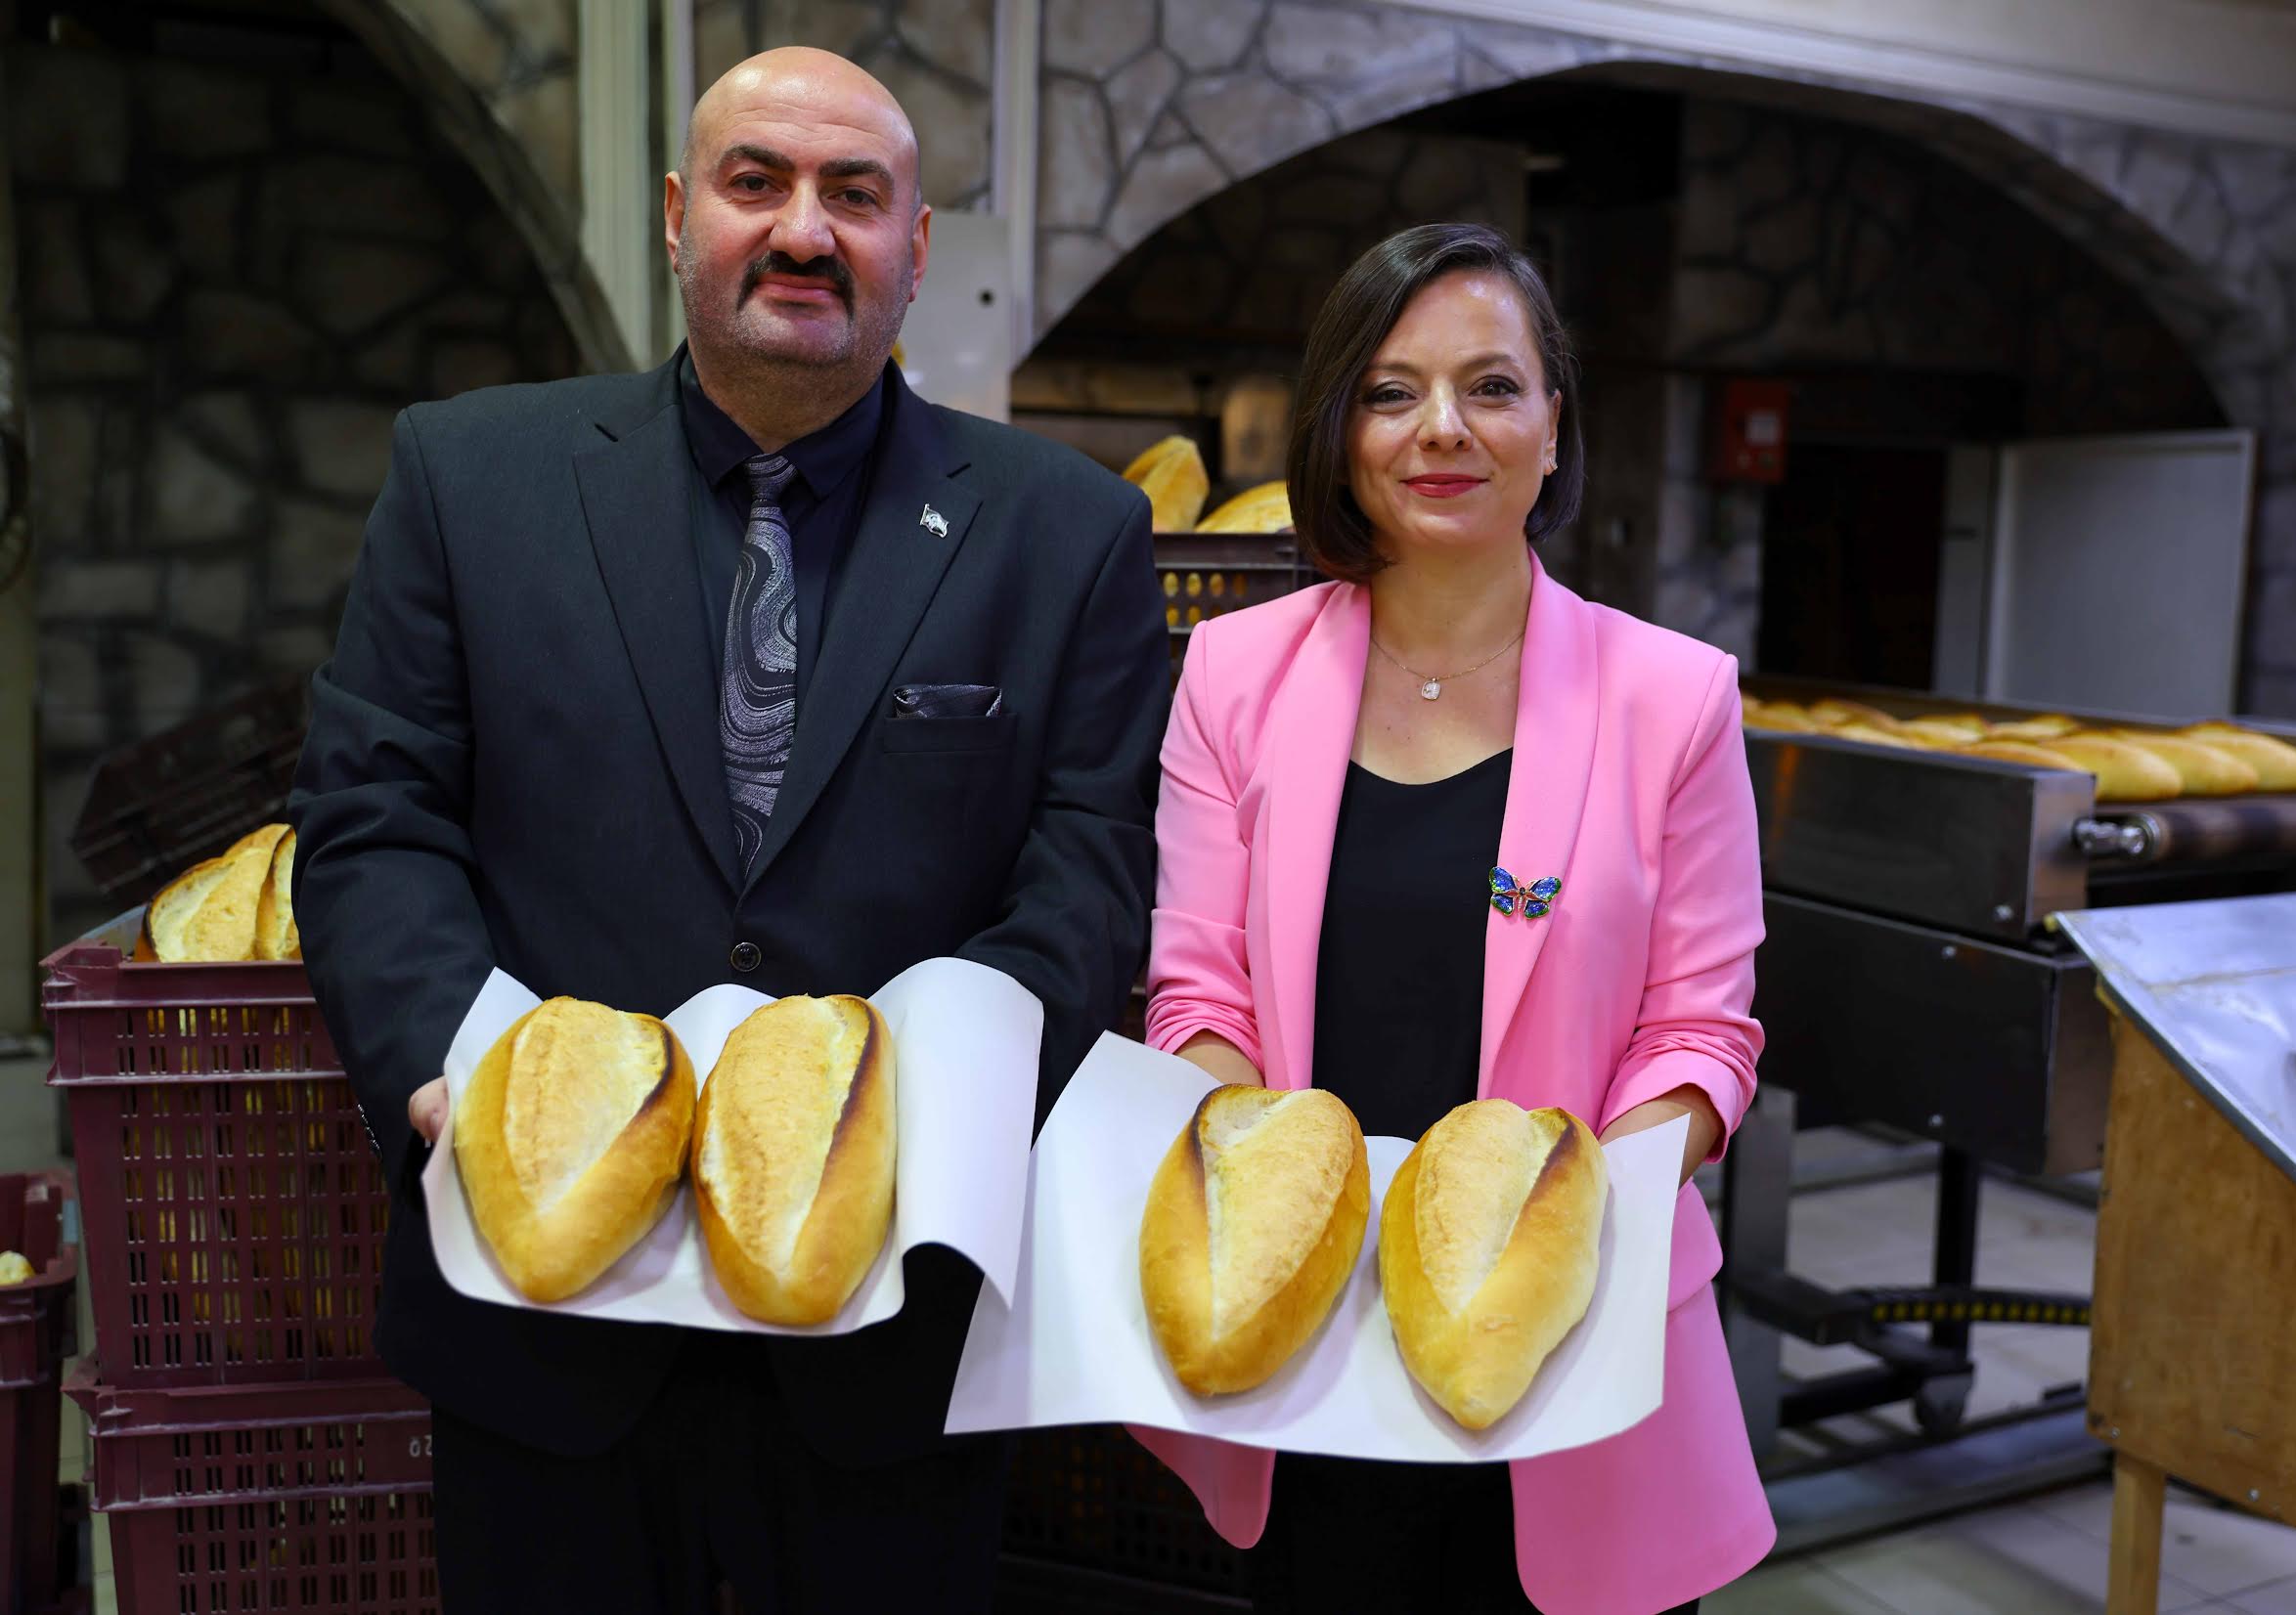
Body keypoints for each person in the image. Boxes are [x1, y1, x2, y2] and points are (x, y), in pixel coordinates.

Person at [288, 47, 1166, 1614]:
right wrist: (438, 1069)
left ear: (914, 247)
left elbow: (1087, 868)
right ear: (679, 216)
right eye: (757, 182)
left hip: (889, 1333)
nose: (804, 230)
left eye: (855, 195)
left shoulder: (1069, 532)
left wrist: (940, 1110)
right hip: (541, 1314)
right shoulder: (468, 477)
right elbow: (373, 808)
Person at [1137, 222, 1774, 1614]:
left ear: (1553, 426)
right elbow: (1196, 993)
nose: (1442, 429)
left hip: (1575, 1334)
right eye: (1390, 391)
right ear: (1340, 431)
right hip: (1314, 1328)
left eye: (1492, 386)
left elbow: (1701, 1035)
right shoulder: (1232, 676)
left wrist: (1578, 1220)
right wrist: (1269, 1194)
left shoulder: (1671, 698)